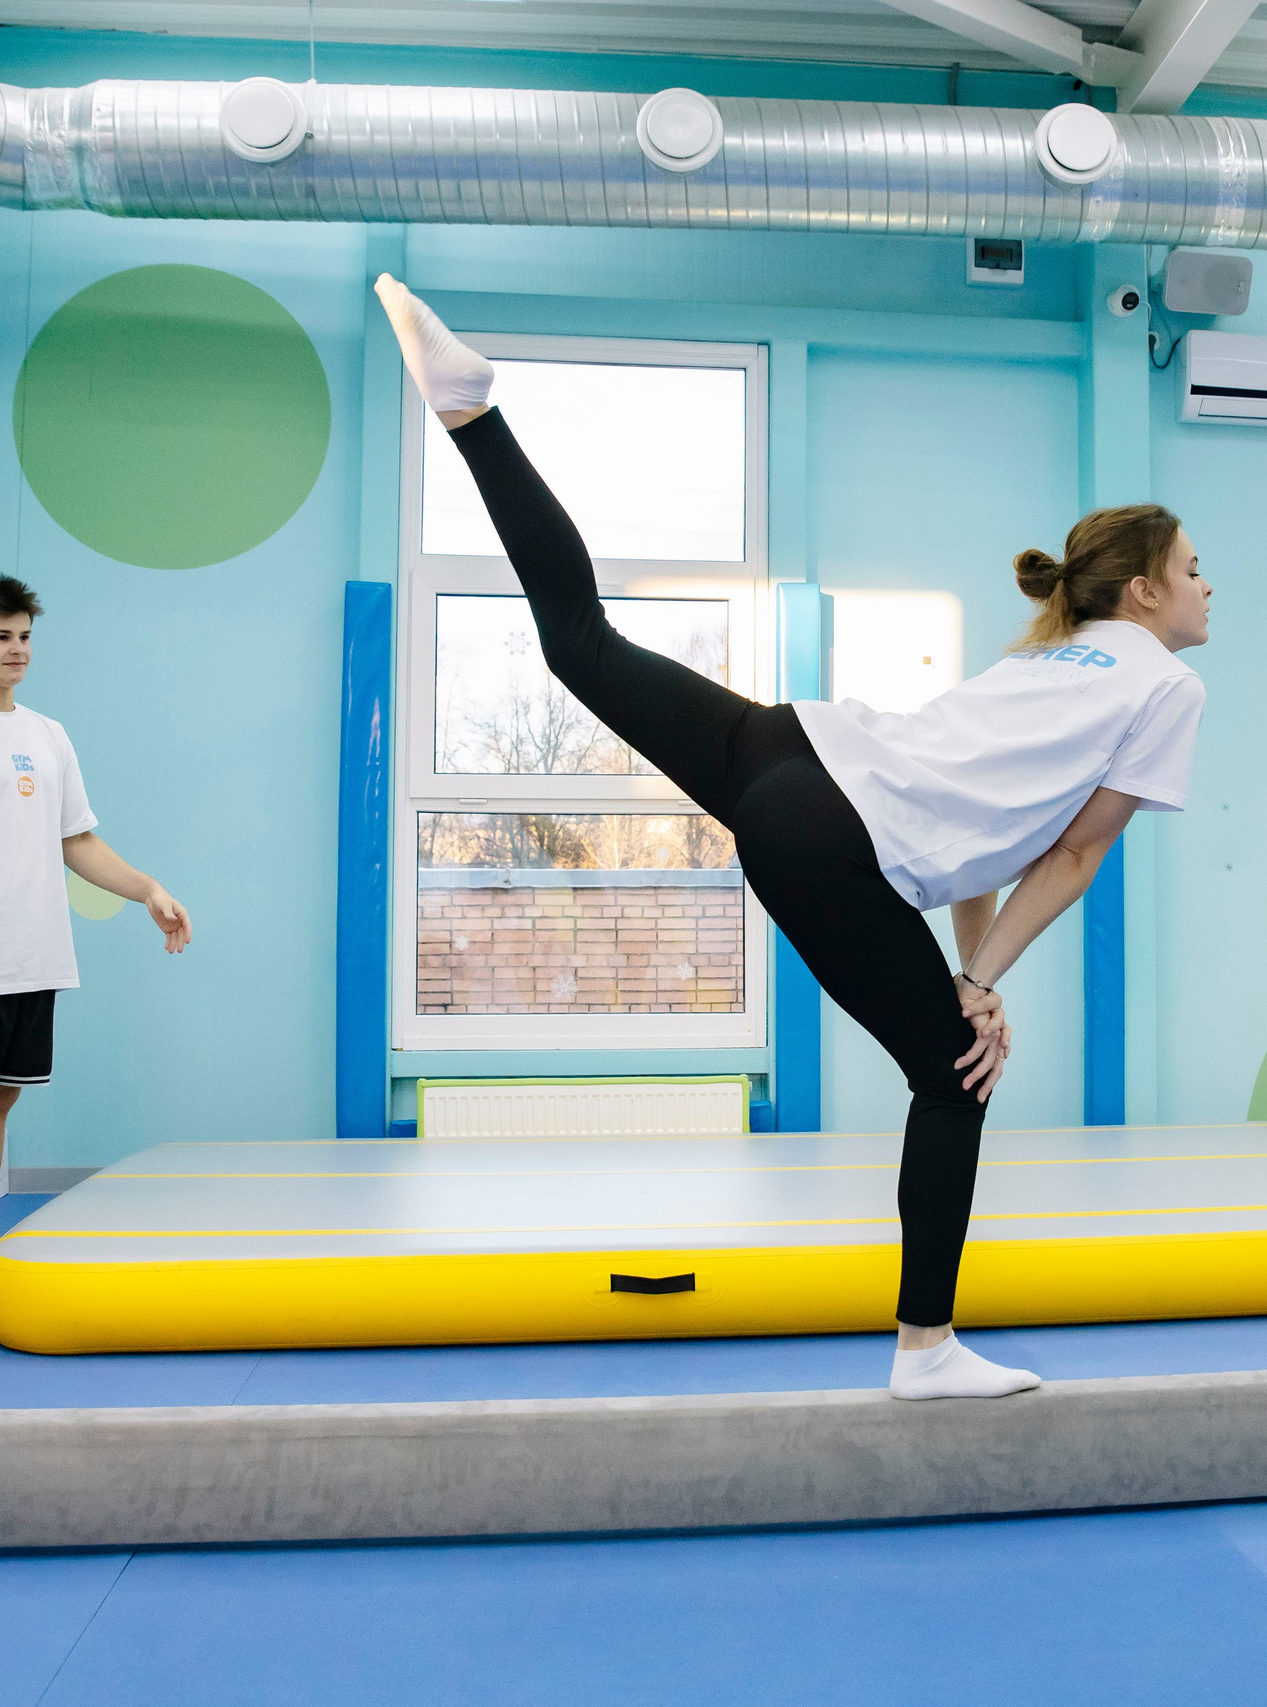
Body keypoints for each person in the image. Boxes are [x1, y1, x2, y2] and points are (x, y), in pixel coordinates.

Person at [374, 276, 1211, 1400]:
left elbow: (974, 843)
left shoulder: (1049, 659)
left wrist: (972, 972)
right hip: (828, 833)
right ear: (1150, 593)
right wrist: (977, 987)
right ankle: (926, 1349)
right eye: (1197, 570)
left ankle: (472, 419)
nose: (1211, 588)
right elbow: (1069, 858)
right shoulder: (1164, 687)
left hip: (786, 747)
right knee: (953, 1082)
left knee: (580, 646)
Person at [0, 576, 192, 1313]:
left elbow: (77, 840)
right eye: (2, 636)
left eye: (25, 636)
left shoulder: (47, 734)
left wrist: (147, 888)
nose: (18, 649)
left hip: (37, 952)